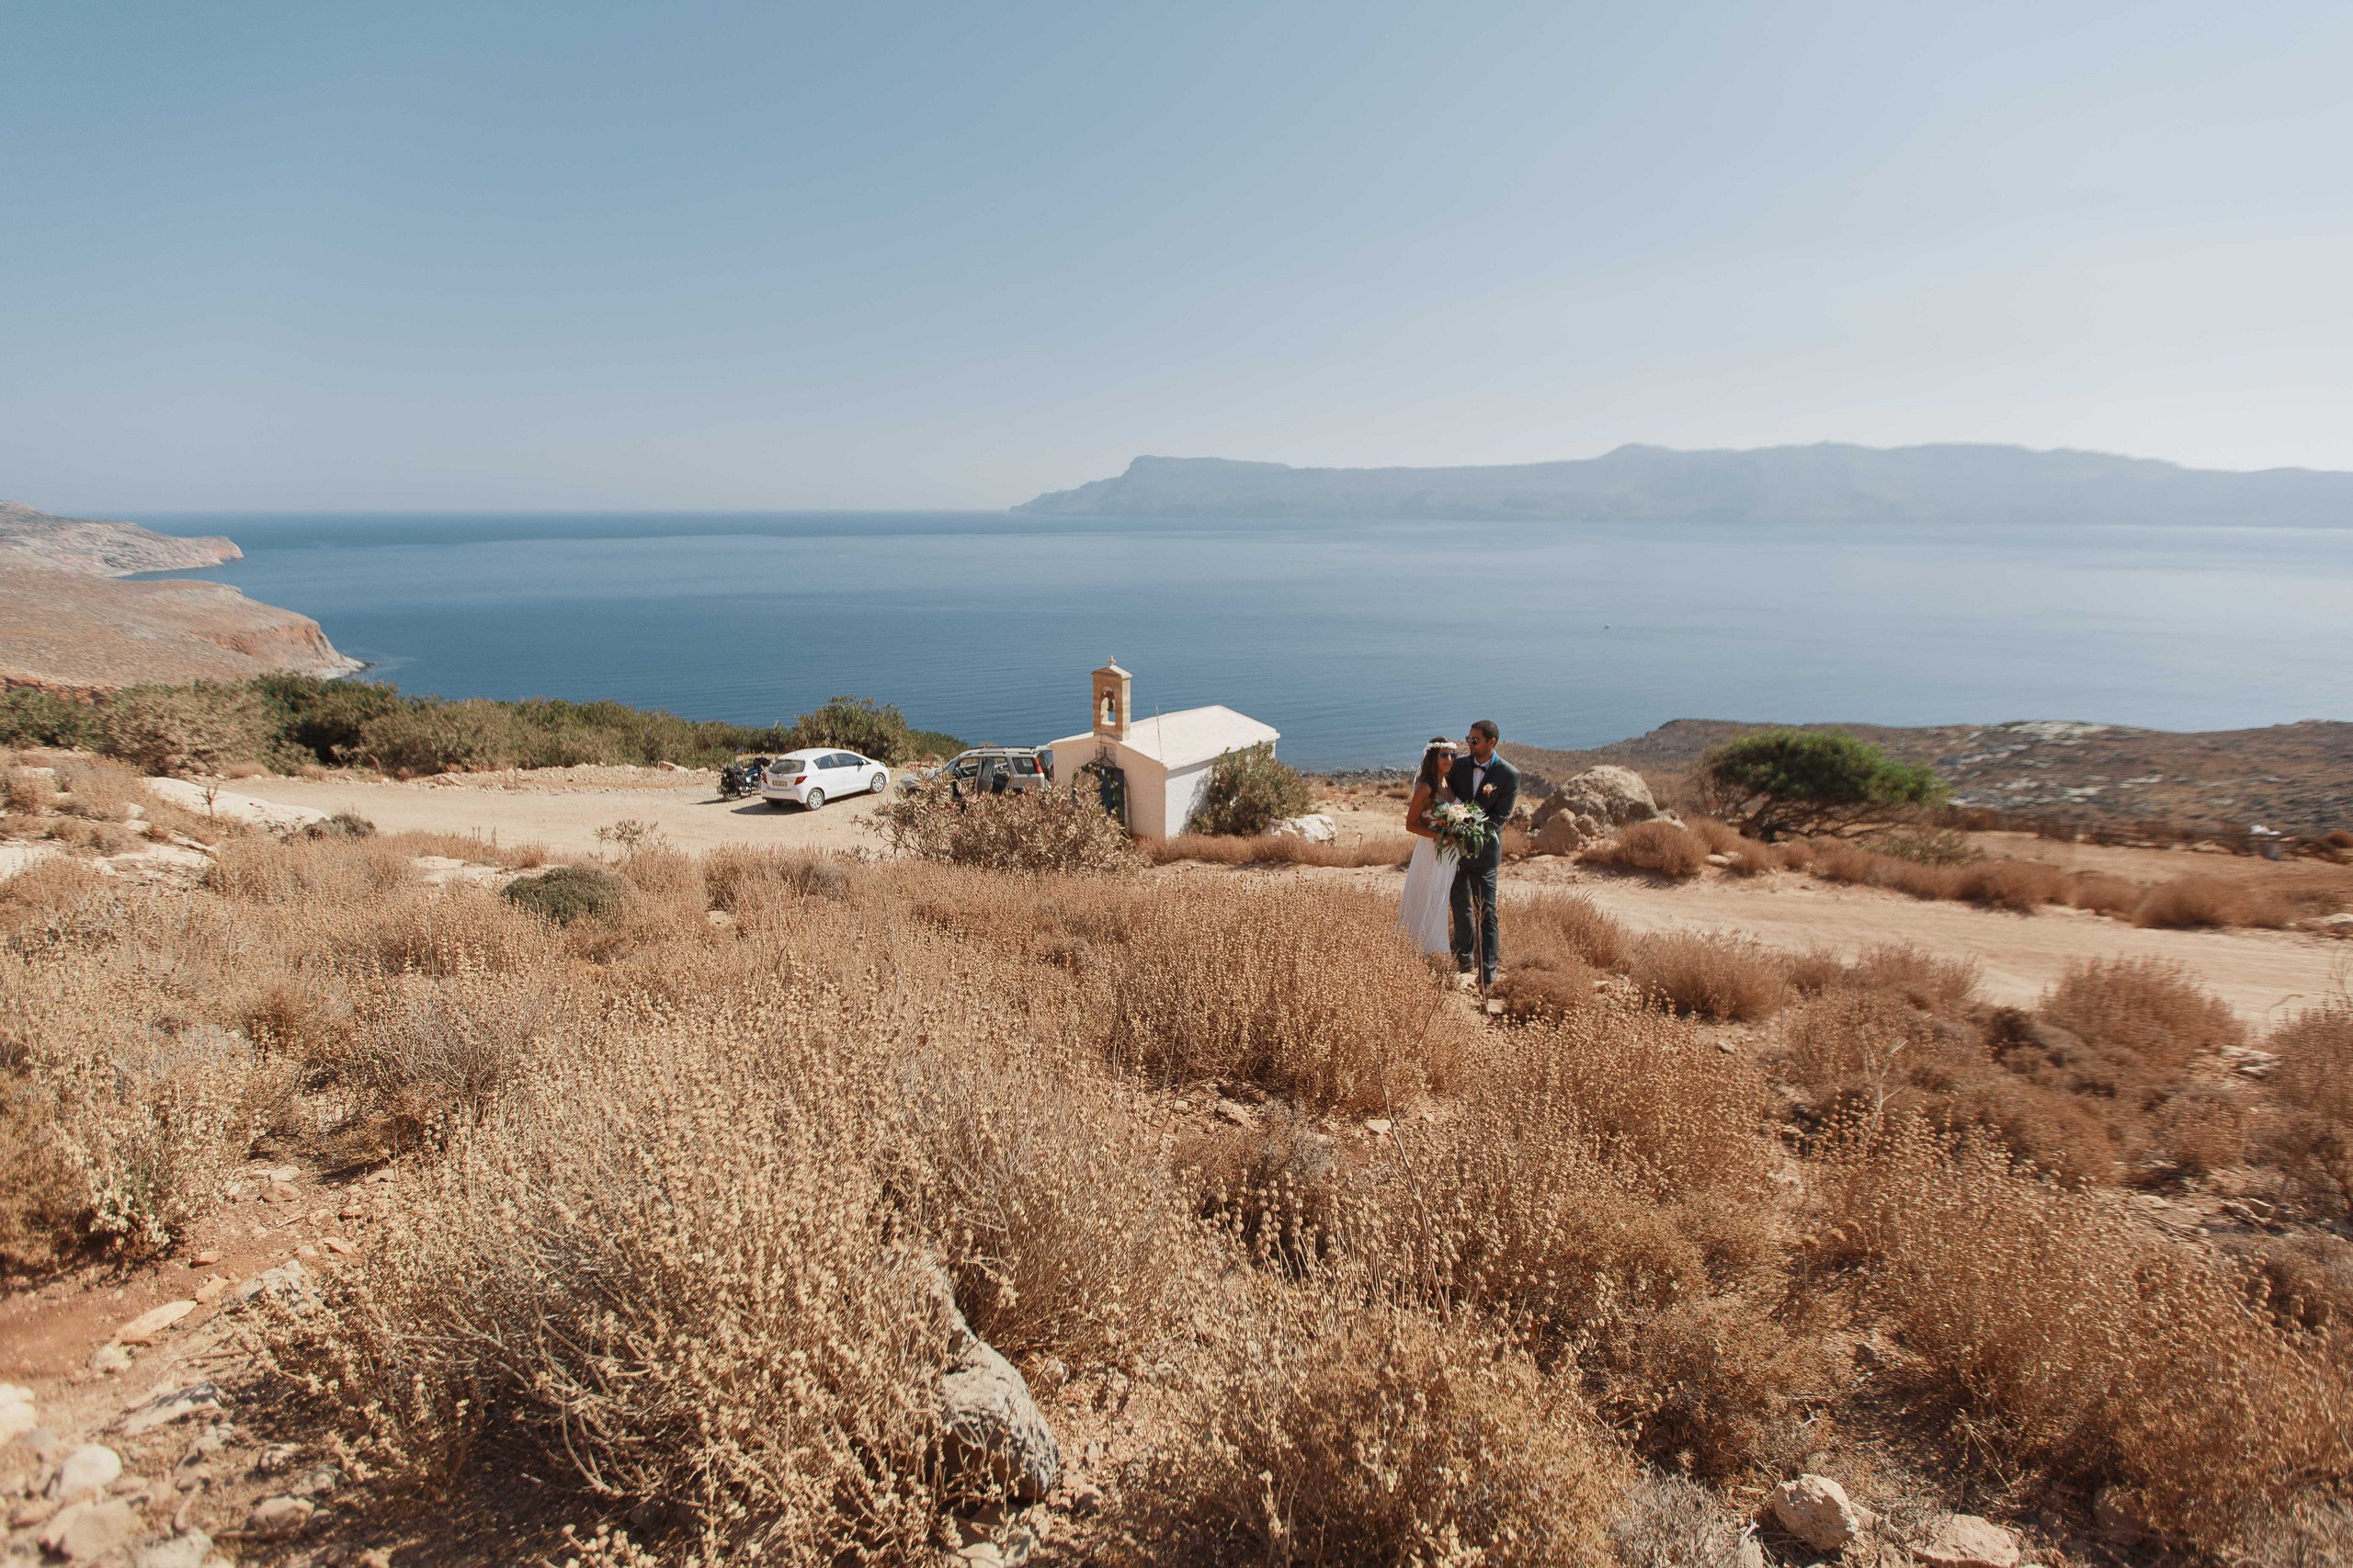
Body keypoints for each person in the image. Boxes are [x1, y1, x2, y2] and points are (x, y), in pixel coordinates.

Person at [1447, 719, 1518, 989]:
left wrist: (1466, 826)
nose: (1469, 743)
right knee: (1459, 905)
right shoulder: (1461, 766)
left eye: (1475, 740)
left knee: (1487, 912)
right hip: (1456, 851)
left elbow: (1498, 818)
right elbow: (1448, 796)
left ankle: (1488, 975)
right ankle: (1464, 959)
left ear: (1492, 743)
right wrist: (1449, 821)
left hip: (1485, 854)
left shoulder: (1509, 775)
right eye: (1468, 738)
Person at [1395, 738, 1459, 955]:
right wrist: (1440, 836)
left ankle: (1436, 946)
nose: (1449, 759)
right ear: (1433, 757)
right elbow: (1411, 824)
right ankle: (1419, 947)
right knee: (1426, 895)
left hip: (1449, 853)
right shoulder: (1425, 787)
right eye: (1444, 754)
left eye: (1452, 755)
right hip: (1431, 850)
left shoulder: (1447, 783)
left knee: (1440, 897)